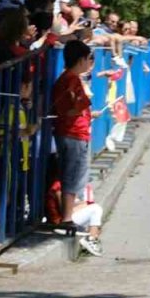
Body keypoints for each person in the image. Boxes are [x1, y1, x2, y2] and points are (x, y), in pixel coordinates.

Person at [52, 39, 104, 256]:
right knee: (72, 176)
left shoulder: (68, 79)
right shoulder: (71, 80)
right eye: (88, 59)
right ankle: (67, 218)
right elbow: (70, 107)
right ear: (81, 59)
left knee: (73, 175)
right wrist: (82, 107)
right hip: (73, 134)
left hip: (74, 132)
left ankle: (68, 216)